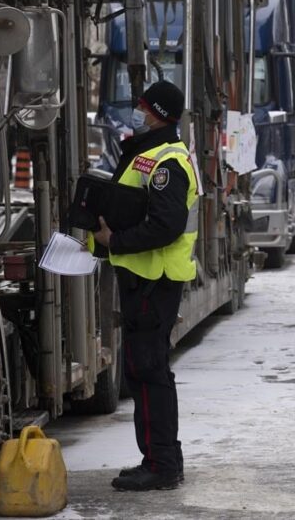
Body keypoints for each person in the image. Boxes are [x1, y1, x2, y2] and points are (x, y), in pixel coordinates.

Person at [90, 80, 199, 491]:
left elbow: (165, 226)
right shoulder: (150, 153)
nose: (137, 112)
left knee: (148, 371)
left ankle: (161, 465)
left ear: (157, 113)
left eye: (142, 107)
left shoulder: (167, 162)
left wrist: (115, 241)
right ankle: (164, 458)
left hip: (155, 280)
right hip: (145, 279)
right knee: (148, 371)